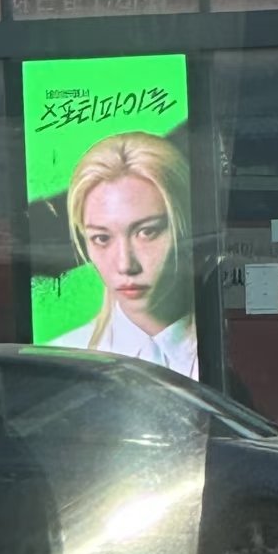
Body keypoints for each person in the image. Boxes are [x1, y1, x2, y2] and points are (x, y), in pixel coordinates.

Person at [47, 131, 198, 379]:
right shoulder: (59, 362)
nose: (125, 264)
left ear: (187, 229)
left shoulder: (232, 354)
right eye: (102, 238)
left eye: (147, 232)